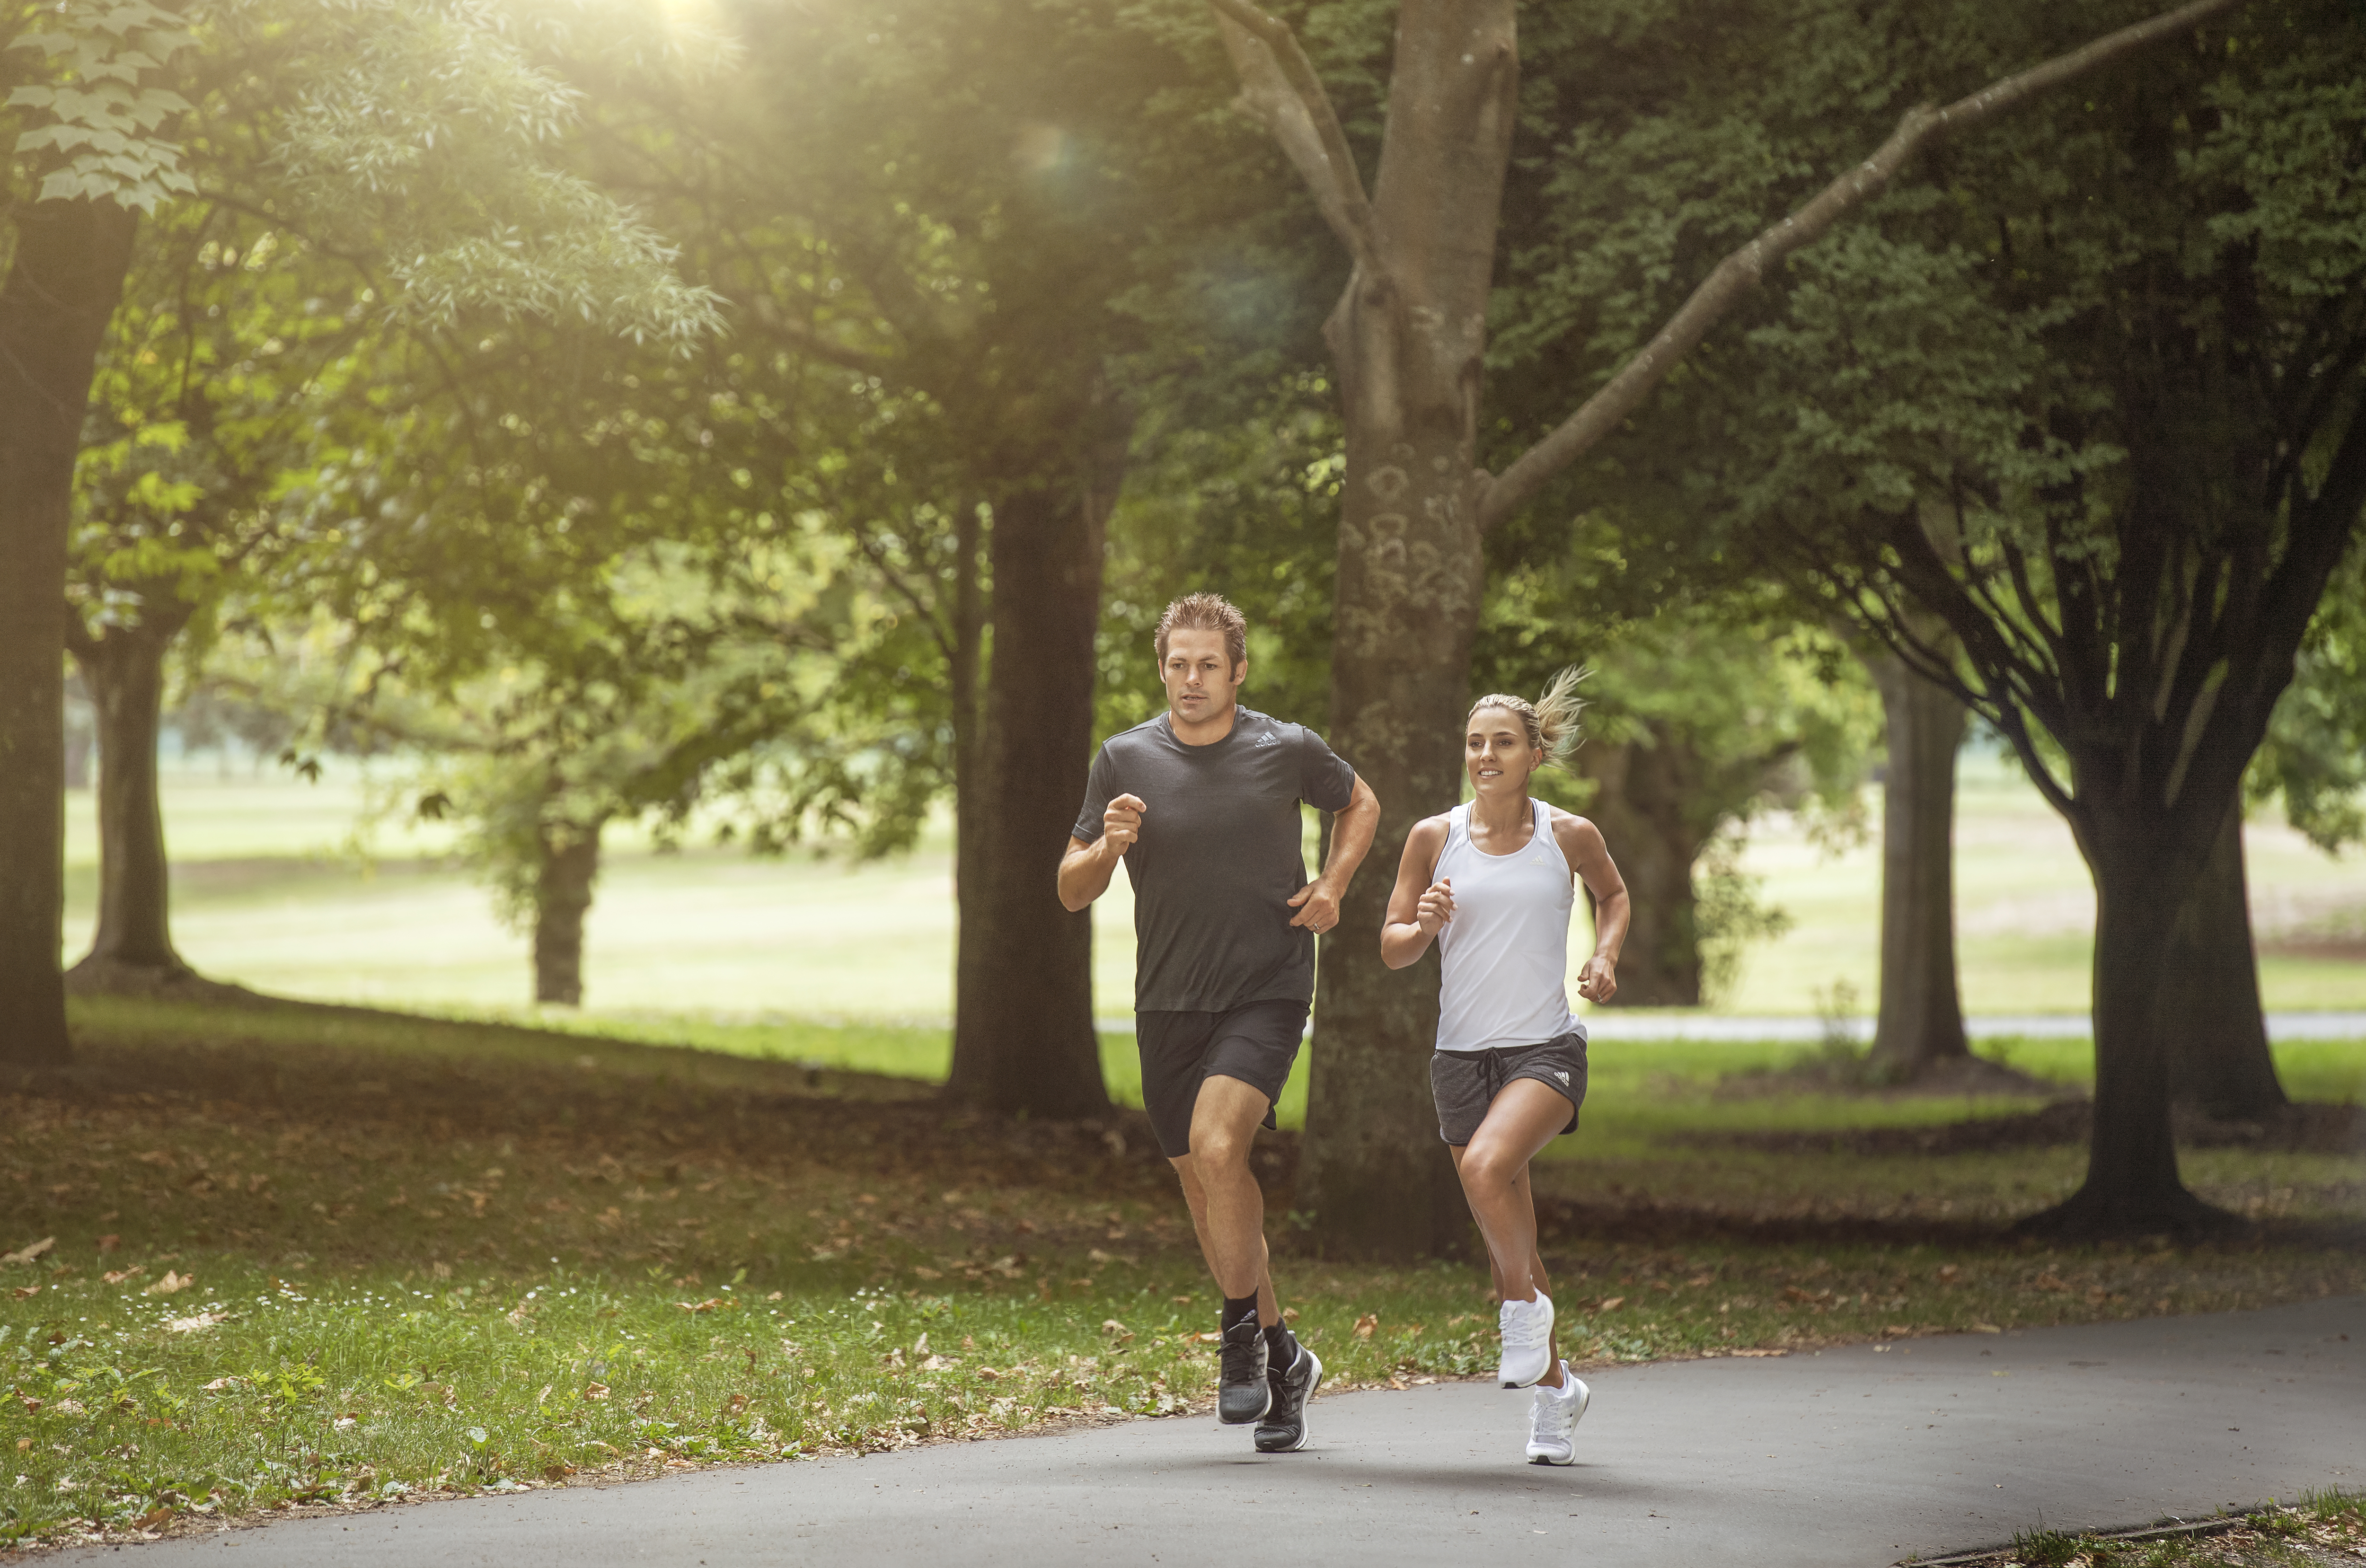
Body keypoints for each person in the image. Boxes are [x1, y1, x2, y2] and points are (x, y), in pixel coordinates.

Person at [1060, 592, 1380, 1454]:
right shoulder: (1124, 757)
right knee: (1207, 1191)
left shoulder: (1285, 748)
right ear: (1162, 668)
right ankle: (1286, 1358)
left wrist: (1334, 885)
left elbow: (1361, 803)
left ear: (1238, 670)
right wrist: (1109, 845)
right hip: (1167, 998)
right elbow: (1070, 887)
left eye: (1209, 664)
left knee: (1218, 1145)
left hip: (1266, 985)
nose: (1192, 679)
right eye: (1178, 663)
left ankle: (1237, 1336)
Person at [1379, 670, 1630, 1467]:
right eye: (1475, 742)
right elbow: (1392, 949)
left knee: (1488, 1170)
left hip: (1544, 1050)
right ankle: (1557, 1397)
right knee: (1506, 1243)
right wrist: (1420, 924)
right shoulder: (1433, 836)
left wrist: (1604, 953)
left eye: (1502, 742)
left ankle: (1522, 1322)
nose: (1485, 754)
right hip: (1460, 1057)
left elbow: (1614, 895)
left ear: (1534, 752)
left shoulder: (1570, 834)